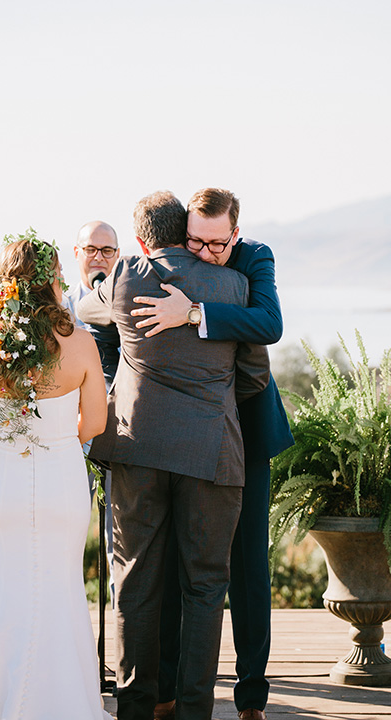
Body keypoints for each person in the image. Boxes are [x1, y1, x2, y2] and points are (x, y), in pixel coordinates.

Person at [77, 191, 270, 720]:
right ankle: (194, 712)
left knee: (135, 581)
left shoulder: (125, 278)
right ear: (184, 230)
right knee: (206, 587)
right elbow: (254, 375)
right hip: (211, 453)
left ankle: (135, 708)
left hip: (138, 449)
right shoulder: (234, 285)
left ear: (140, 240)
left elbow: (84, 306)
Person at [131, 188, 294, 720]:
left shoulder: (254, 260)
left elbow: (269, 324)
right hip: (191, 438)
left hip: (245, 428)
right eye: (193, 241)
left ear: (236, 234)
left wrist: (194, 311)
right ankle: (171, 691)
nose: (203, 254)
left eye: (216, 245)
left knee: (248, 565)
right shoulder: (178, 261)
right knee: (186, 566)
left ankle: (251, 699)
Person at [0, 230, 111, 720]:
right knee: (59, 590)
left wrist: (8, 450)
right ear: (52, 280)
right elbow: (94, 424)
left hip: (0, 482)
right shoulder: (80, 345)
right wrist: (53, 445)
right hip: (62, 481)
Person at [66, 219, 121, 605]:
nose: (98, 257)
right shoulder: (59, 310)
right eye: (91, 249)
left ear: (118, 257)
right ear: (77, 254)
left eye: (107, 251)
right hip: (69, 441)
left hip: (122, 438)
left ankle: (124, 656)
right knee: (65, 541)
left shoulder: (129, 304)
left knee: (120, 546)